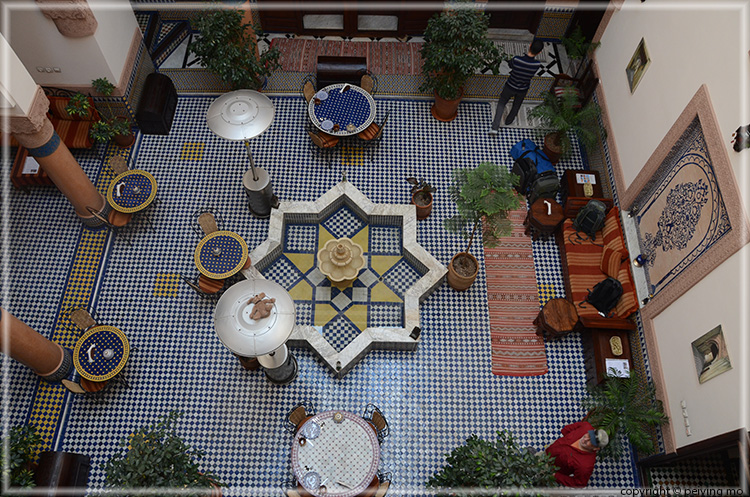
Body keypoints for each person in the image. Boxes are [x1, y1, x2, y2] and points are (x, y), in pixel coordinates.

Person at [490, 39, 545, 133]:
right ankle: (509, 121)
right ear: (540, 52)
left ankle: (495, 127)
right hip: (523, 89)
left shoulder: (517, 59)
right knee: (516, 105)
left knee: (502, 103)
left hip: (510, 85)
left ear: (530, 45)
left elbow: (510, 65)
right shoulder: (537, 64)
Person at [545, 421, 608, 487]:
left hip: (549, 469)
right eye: (589, 435)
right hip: (551, 449)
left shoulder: (585, 466)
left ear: (596, 448)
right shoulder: (585, 426)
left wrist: (555, 475)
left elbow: (579, 484)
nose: (585, 439)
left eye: (591, 441)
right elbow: (565, 430)